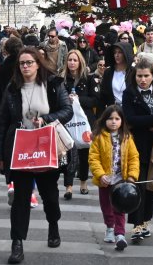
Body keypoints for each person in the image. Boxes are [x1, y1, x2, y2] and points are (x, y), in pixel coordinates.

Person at [0, 47, 72, 264]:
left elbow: (67, 110)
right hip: (20, 148)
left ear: (38, 63)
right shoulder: (12, 88)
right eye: (22, 63)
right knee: (20, 198)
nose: (25, 66)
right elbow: (2, 121)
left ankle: (53, 224)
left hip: (46, 146)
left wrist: (46, 119)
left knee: (49, 194)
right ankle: (17, 243)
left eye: (29, 62)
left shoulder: (53, 84)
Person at [123, 57, 153, 243]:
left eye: (146, 76)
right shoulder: (130, 93)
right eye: (139, 76)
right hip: (137, 144)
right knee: (138, 182)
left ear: (152, 76)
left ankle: (145, 221)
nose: (142, 80)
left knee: (149, 185)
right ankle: (136, 224)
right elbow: (129, 119)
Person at [88, 105, 139, 252]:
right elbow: (93, 158)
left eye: (117, 118)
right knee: (106, 206)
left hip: (121, 181)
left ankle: (120, 234)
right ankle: (110, 227)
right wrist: (100, 175)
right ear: (104, 120)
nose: (114, 122)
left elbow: (133, 158)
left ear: (122, 121)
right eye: (110, 118)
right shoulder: (98, 137)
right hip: (105, 181)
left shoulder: (127, 138)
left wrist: (131, 176)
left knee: (120, 207)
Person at [60, 49, 97, 199]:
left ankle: (83, 182)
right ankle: (68, 186)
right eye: (70, 60)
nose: (72, 63)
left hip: (85, 121)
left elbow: (95, 100)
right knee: (69, 153)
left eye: (75, 60)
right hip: (67, 120)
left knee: (84, 153)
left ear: (80, 62)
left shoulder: (88, 79)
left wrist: (78, 99)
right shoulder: (62, 79)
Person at [99, 41, 134, 108]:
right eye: (115, 52)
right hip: (113, 110)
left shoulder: (133, 72)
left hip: (130, 110)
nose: (117, 55)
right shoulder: (108, 72)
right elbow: (103, 94)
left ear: (126, 53)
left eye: (120, 52)